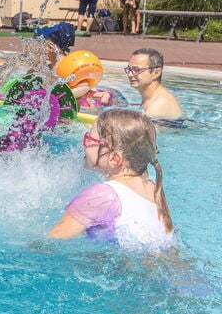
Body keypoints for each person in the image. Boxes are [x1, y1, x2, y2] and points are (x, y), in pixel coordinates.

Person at [49, 109, 174, 249]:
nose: (83, 144)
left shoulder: (100, 195)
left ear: (114, 159)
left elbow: (52, 243)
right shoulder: (153, 189)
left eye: (90, 139)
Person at [126, 48, 183, 120]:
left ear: (156, 73)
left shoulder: (159, 104)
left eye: (136, 70)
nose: (130, 74)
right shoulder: (150, 99)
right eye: (129, 69)